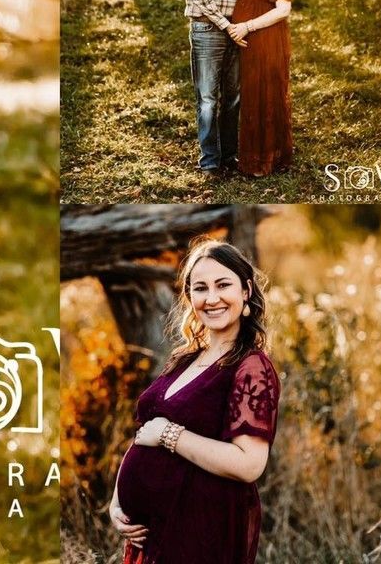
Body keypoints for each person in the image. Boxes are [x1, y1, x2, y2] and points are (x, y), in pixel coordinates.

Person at [108, 238, 280, 564]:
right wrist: (118, 503)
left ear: (245, 290)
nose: (211, 298)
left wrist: (170, 434)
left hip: (198, 531)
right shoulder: (185, 359)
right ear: (189, 297)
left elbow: (249, 464)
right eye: (200, 288)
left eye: (223, 285)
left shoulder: (251, 367)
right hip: (153, 534)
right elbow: (145, 433)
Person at [181, 0, 251, 178]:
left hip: (237, 28)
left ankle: (229, 156)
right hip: (208, 28)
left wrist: (240, 25)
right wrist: (226, 26)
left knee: (233, 97)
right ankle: (210, 162)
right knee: (208, 98)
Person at [229, 0, 294, 176]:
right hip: (249, 44)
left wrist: (247, 26)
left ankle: (270, 158)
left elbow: (283, 10)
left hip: (269, 41)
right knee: (252, 96)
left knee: (267, 95)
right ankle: (252, 157)